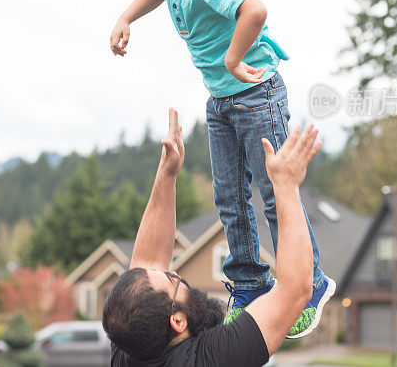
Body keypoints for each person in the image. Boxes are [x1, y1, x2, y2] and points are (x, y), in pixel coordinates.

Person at [109, 0, 333, 336]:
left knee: (273, 194)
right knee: (229, 199)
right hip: (222, 102)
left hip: (256, 93)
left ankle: (314, 284)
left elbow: (255, 10)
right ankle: (248, 285)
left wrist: (233, 59)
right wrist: (125, 18)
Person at [102, 109, 323, 366]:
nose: (177, 274)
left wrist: (167, 172)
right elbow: (295, 291)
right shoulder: (211, 359)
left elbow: (148, 260)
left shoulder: (132, 341)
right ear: (177, 321)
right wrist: (286, 185)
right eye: (173, 281)